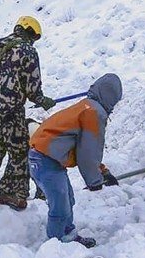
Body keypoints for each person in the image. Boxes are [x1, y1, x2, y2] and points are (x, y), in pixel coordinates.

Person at [28, 73, 123, 248]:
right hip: (45, 160)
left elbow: (84, 148)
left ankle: (68, 236)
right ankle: (55, 248)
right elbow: (88, 152)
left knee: (67, 200)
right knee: (60, 207)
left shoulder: (86, 106)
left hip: (46, 158)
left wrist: (102, 172)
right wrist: (94, 180)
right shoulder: (94, 112)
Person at [0, 16, 55, 210]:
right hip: (11, 110)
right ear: (30, 33)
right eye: (34, 37)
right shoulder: (27, 50)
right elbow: (32, 86)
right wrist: (42, 100)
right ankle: (11, 193)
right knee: (19, 152)